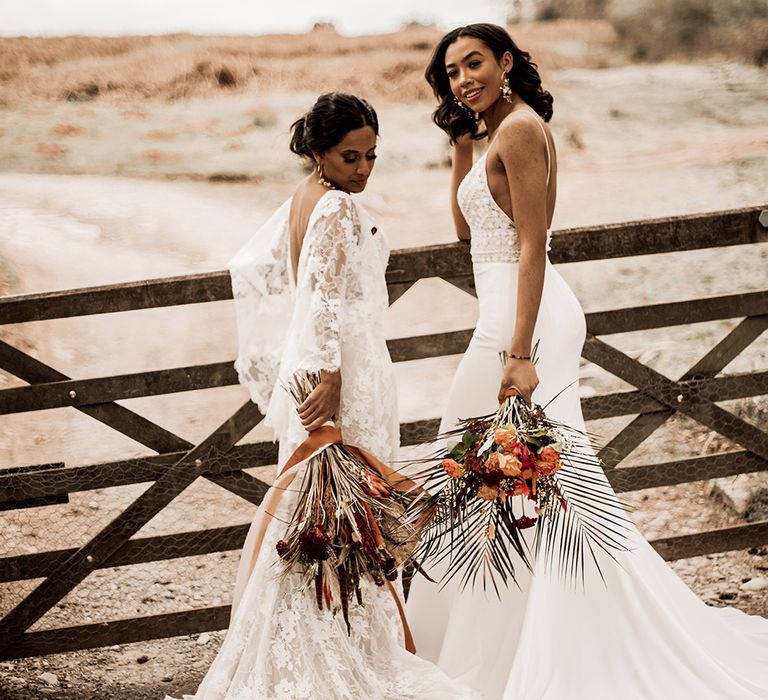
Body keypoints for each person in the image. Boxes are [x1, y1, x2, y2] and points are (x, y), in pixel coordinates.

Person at [405, 23, 768, 699]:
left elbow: (533, 246)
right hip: (504, 315)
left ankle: (554, 642)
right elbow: (468, 232)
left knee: (520, 483)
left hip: (528, 324)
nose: (463, 79)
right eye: (452, 72)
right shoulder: (490, 134)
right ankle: (485, 639)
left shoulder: (519, 129)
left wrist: (519, 354)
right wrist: (458, 144)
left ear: (506, 61)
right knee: (501, 484)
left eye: (474, 64)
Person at [166, 93, 477, 700]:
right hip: (347, 375)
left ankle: (326, 640)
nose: (362, 169)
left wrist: (315, 367)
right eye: (348, 156)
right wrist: (331, 375)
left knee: (328, 518)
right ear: (317, 152)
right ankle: (344, 652)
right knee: (346, 514)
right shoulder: (333, 206)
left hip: (327, 365)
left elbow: (300, 290)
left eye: (371, 157)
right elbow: (323, 294)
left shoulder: (303, 198)